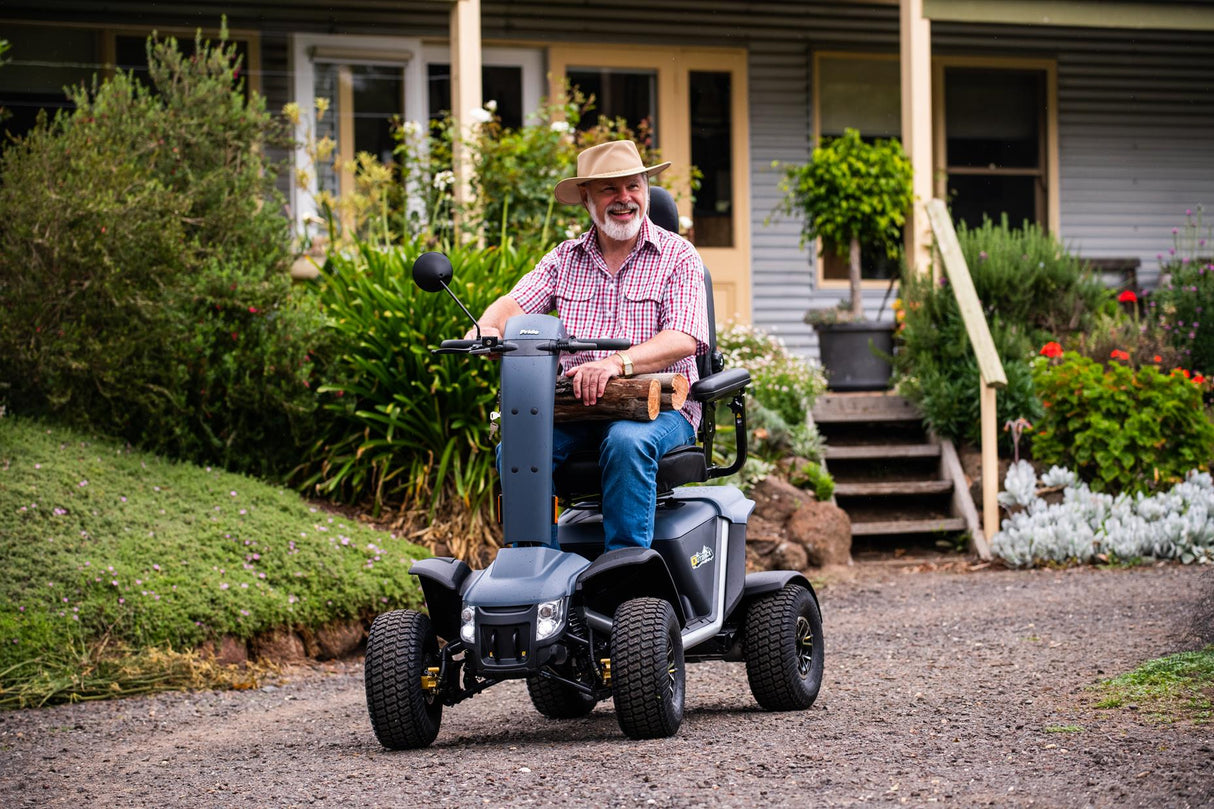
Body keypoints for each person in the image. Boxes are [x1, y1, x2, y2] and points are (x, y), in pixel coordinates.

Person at [467, 140, 710, 551]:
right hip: (576, 409)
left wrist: (618, 363)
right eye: (609, 190)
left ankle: (627, 574)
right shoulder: (564, 259)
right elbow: (515, 303)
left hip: (659, 407)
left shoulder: (678, 256)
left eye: (633, 186)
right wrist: (486, 330)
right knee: (516, 448)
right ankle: (536, 565)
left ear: (646, 191)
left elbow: (684, 337)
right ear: (586, 198)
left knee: (625, 441)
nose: (624, 199)